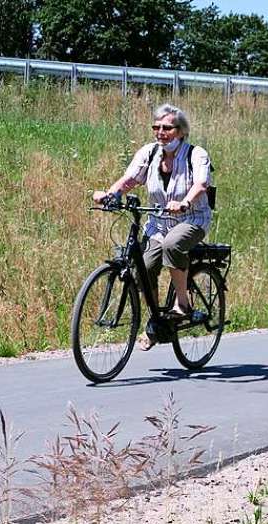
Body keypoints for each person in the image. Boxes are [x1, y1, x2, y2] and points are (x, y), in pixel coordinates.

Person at [92, 103, 213, 350]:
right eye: (156, 127)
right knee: (143, 267)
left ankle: (182, 303)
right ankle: (156, 323)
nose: (160, 132)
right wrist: (109, 193)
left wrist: (185, 202)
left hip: (191, 219)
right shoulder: (149, 153)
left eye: (167, 128)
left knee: (172, 245)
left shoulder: (196, 154)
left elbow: (201, 184)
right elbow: (130, 179)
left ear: (181, 131)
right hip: (158, 223)